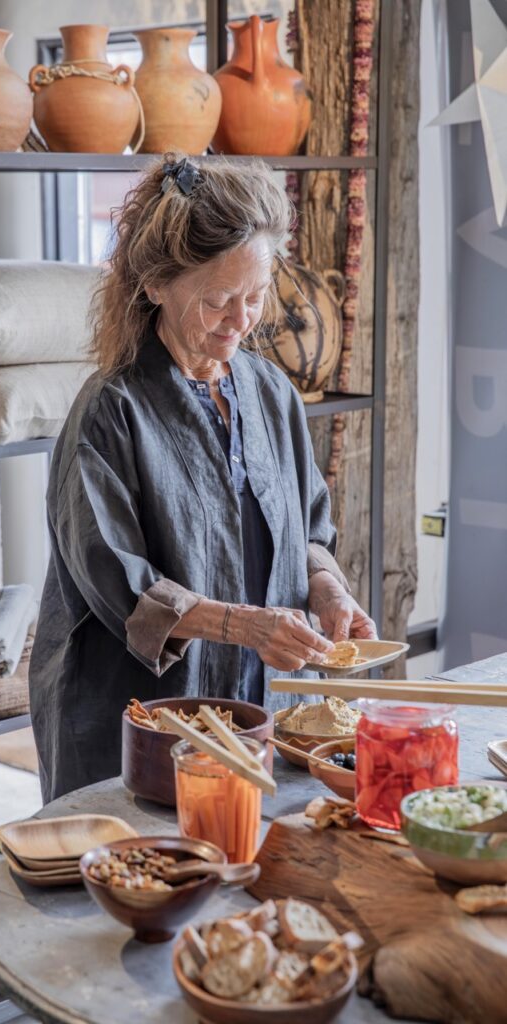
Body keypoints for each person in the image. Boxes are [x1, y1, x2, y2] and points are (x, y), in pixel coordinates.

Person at [30, 155, 376, 801]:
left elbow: (310, 526)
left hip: (252, 706)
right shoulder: (110, 412)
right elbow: (125, 593)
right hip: (139, 721)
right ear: (156, 284)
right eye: (218, 299)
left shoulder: (271, 393)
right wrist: (247, 625)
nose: (242, 319)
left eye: (256, 295)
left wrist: (326, 587)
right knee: (138, 878)